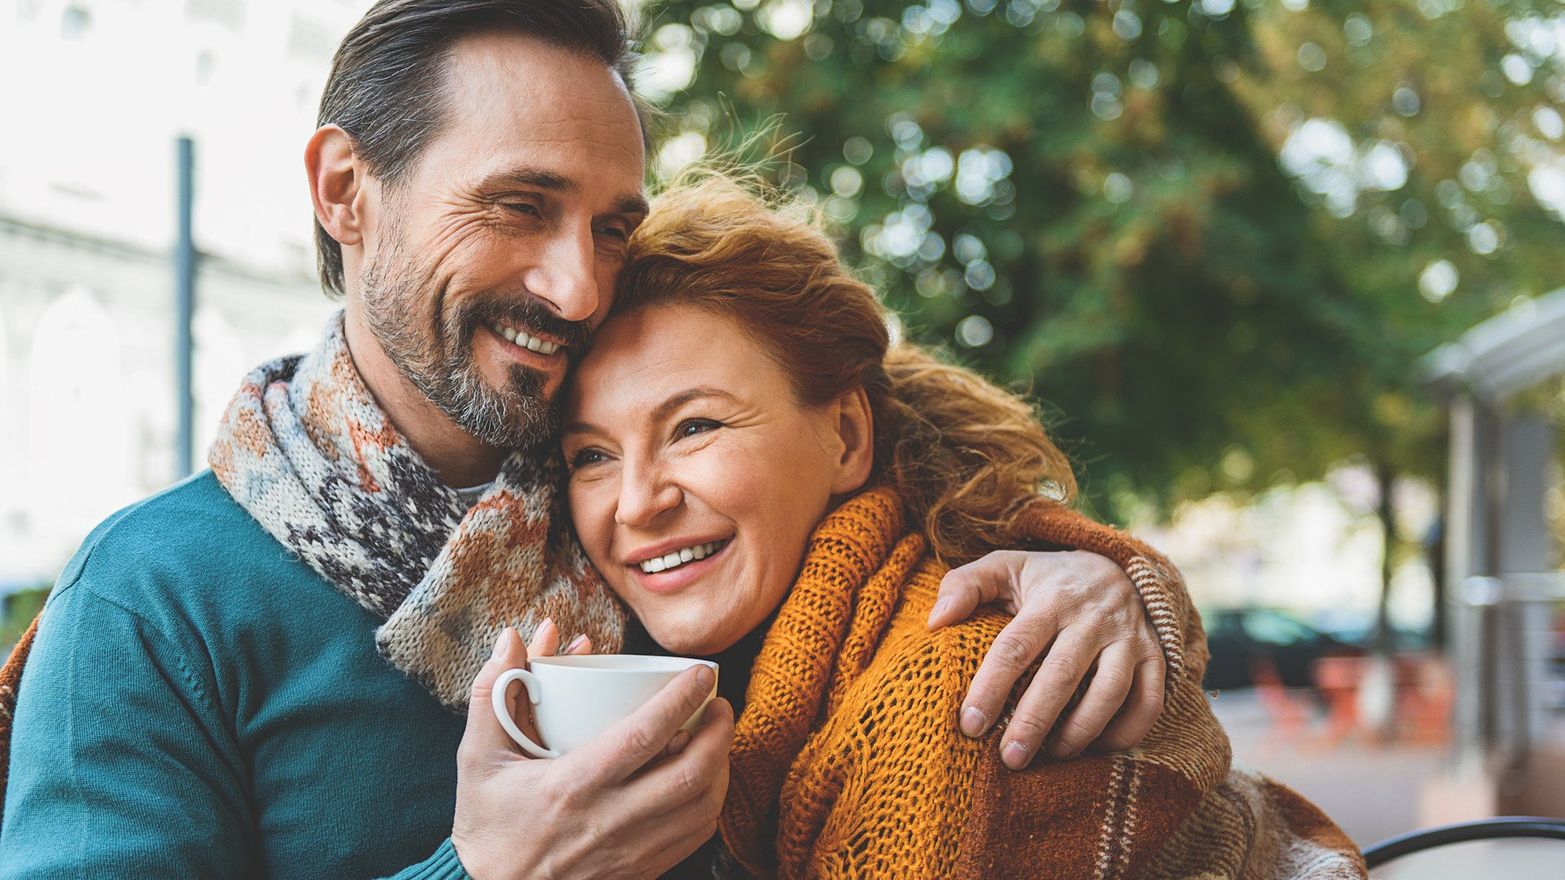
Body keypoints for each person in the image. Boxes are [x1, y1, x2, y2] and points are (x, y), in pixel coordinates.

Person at [0, 2, 1173, 878]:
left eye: (612, 227)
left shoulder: (652, 537)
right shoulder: (154, 599)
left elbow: (891, 464)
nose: (574, 287)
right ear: (345, 189)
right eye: (519, 205)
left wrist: (1091, 576)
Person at [545, 174, 1368, 878]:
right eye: (590, 457)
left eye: (694, 427)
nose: (635, 502)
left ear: (847, 437)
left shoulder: (948, 695)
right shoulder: (712, 661)